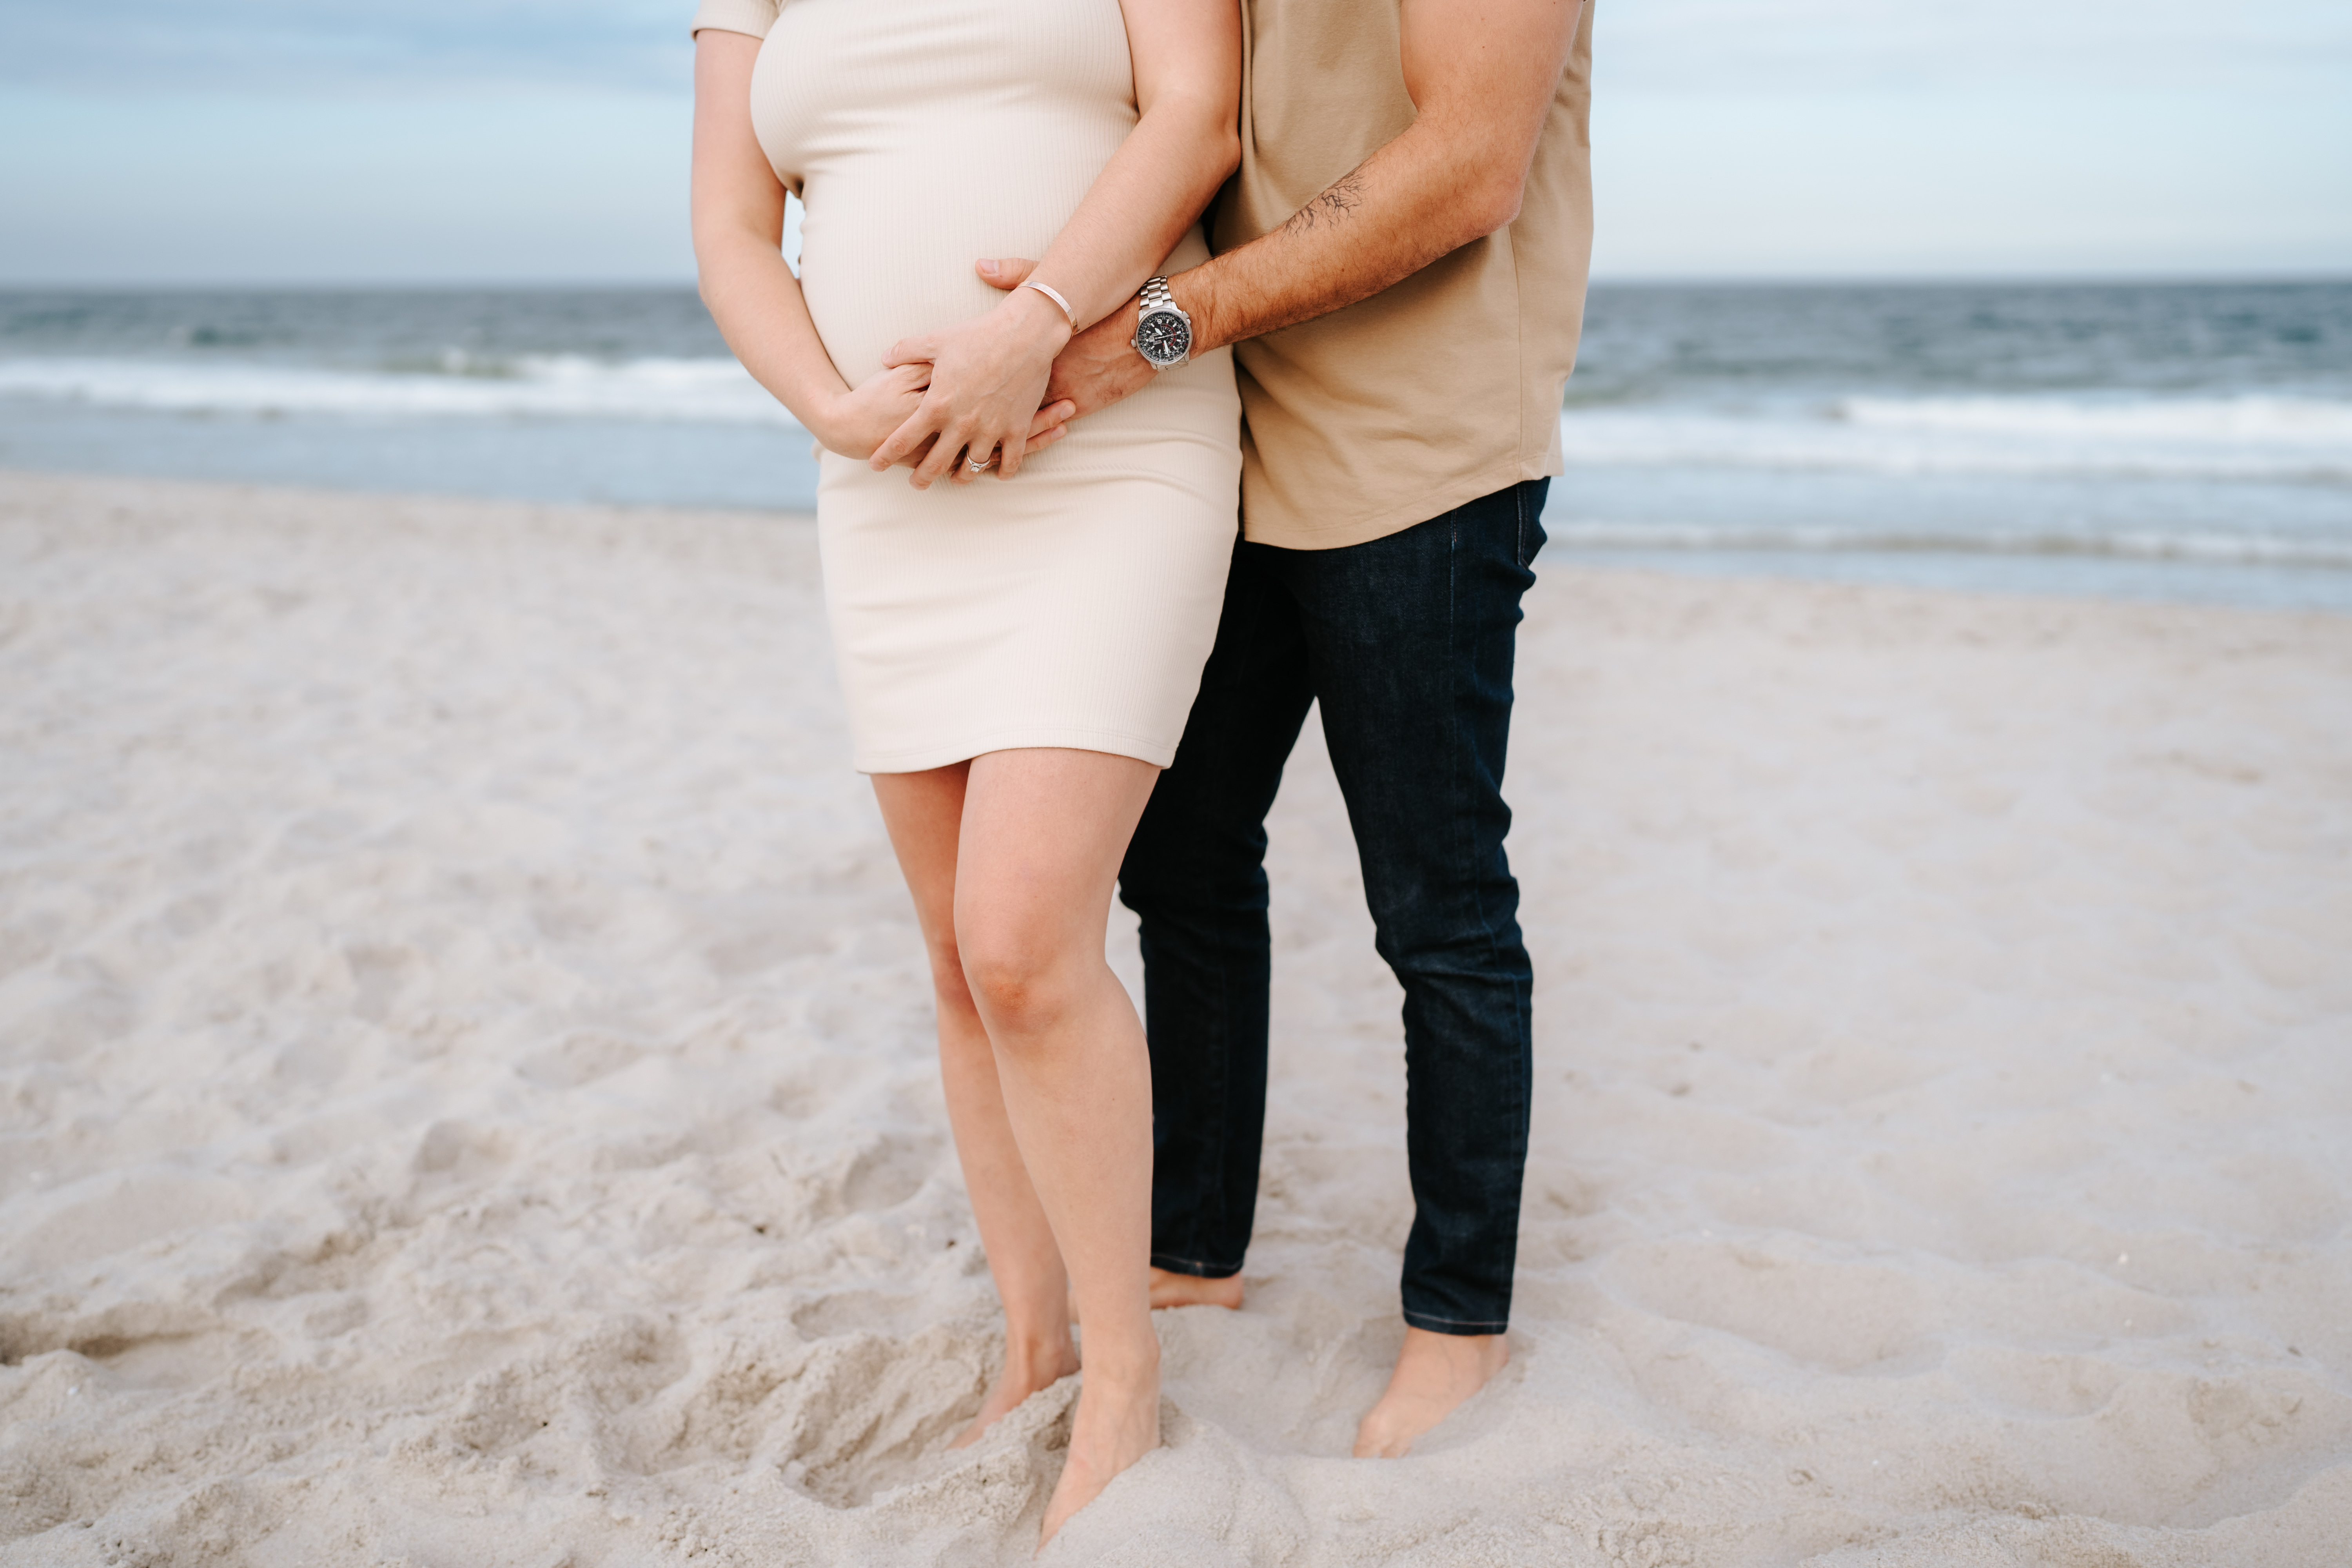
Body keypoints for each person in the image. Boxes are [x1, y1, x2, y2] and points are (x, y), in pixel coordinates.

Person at [892, 0, 1595, 1462]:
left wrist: (1139, 331)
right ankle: (1198, 1245)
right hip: (1214, 436)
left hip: (1420, 448)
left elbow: (1470, 167)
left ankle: (1459, 1318)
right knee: (1187, 868)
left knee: (1440, 905)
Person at [688, 0, 1244, 1544]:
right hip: (886, 482)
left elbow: (1200, 114)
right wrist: (830, 405)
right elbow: (734, 227)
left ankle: (1123, 1375)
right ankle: (1032, 1341)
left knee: (1023, 941)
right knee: (954, 959)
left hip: (1105, 438)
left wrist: (1034, 323)